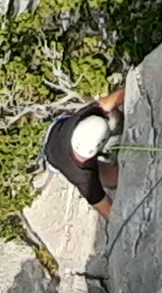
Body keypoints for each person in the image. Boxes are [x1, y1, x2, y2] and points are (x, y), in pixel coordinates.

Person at [40, 85, 124, 214]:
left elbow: (111, 100)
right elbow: (107, 209)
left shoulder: (86, 116)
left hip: (60, 128)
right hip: (53, 155)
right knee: (112, 180)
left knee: (116, 118)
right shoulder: (83, 177)